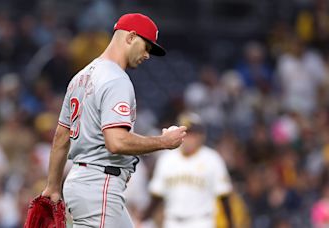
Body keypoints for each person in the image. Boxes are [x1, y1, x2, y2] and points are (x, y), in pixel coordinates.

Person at [41, 13, 187, 228]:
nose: (147, 55)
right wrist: (164, 142)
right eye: (146, 46)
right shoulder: (116, 79)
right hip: (99, 184)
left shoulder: (80, 77)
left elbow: (62, 136)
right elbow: (116, 142)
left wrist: (53, 186)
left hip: (84, 181)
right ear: (130, 37)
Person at [142, 112, 233, 228]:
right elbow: (156, 197)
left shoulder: (212, 159)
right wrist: (143, 220)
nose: (188, 139)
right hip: (172, 222)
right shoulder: (166, 159)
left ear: (201, 136)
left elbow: (224, 198)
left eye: (192, 134)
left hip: (201, 222)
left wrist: (231, 224)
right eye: (185, 134)